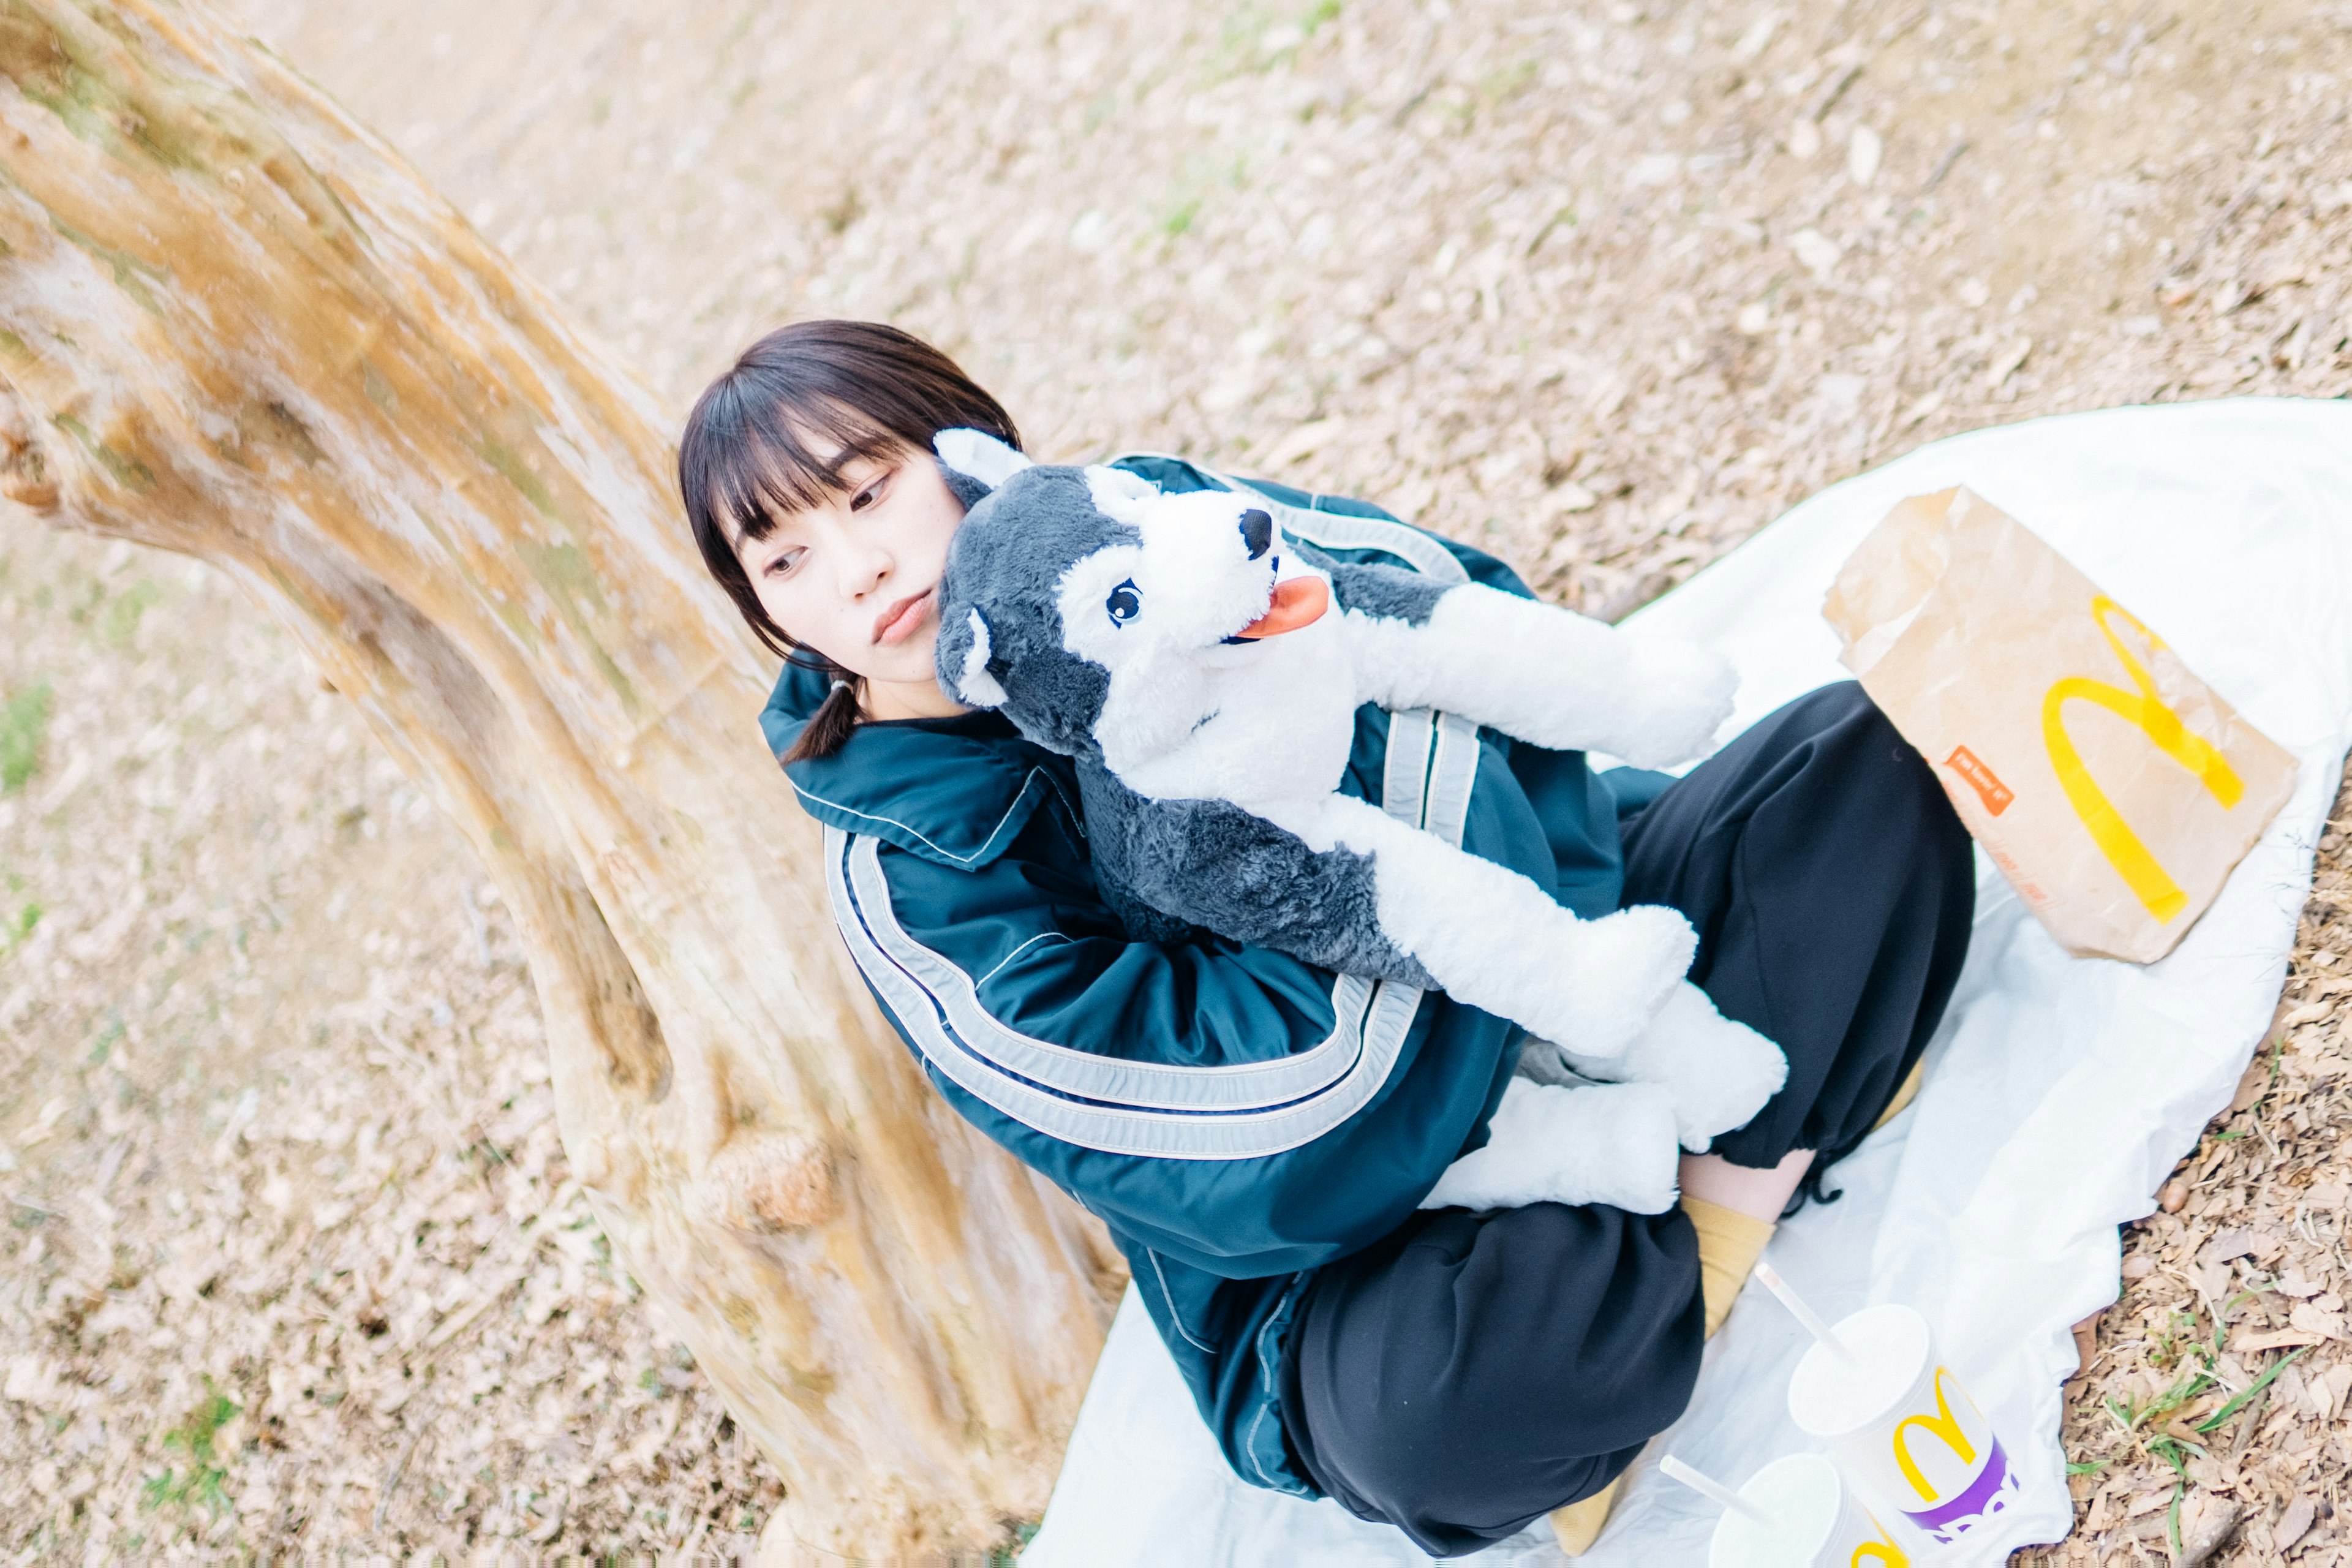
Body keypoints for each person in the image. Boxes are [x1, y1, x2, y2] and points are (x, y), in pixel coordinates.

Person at [679, 319, 1977, 1558]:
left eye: (866, 493)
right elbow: (1218, 1141)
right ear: (766, 611)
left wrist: (1531, 950)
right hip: (1357, 1225)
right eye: (783, 559)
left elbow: (1467, 635)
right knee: (1440, 1409)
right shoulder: (910, 872)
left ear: (963, 449)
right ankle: (1729, 1149)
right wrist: (1453, 939)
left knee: (1866, 764)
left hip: (1564, 954)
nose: (858, 571)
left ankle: (1694, 1219)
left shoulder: (1153, 526)